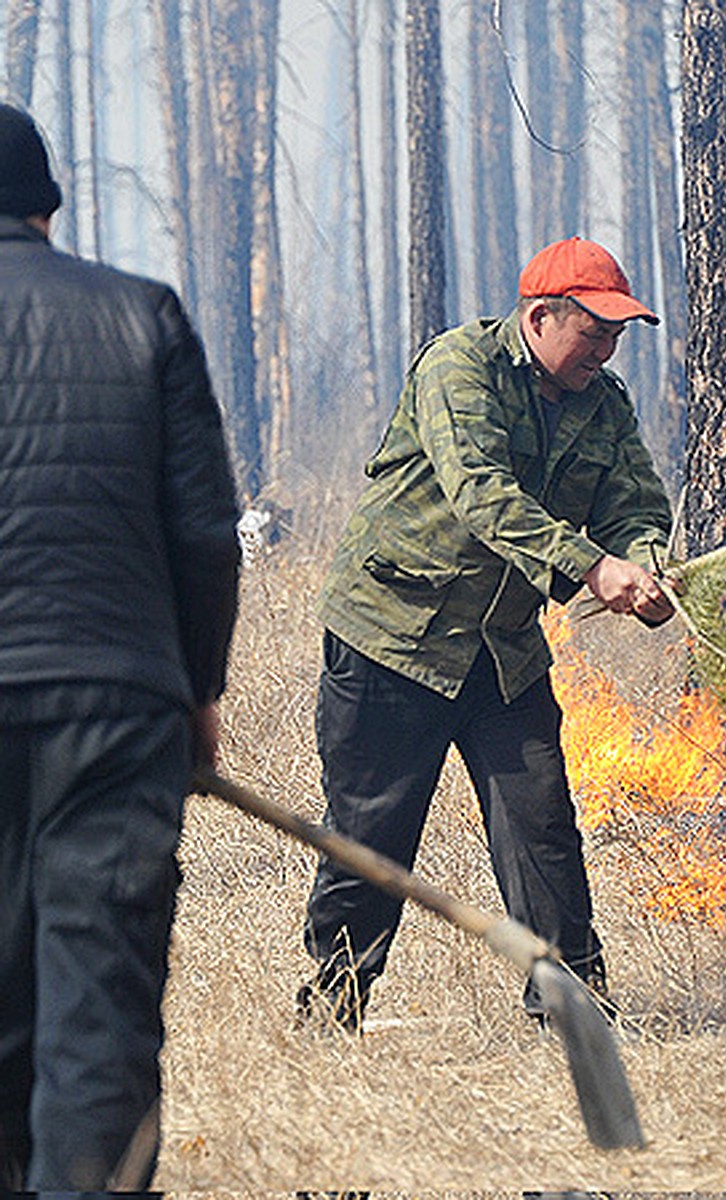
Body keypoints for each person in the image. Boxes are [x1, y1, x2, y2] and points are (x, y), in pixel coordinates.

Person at [301, 236, 675, 1032]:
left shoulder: (602, 404)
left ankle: (575, 1011)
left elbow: (634, 504)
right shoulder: (458, 368)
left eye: (615, 336)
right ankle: (333, 1009)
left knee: (541, 828)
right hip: (393, 639)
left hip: (501, 655)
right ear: (541, 316)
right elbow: (484, 496)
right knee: (371, 835)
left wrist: (641, 565)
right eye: (593, 332)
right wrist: (591, 569)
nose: (605, 352)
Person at [0, 105, 241, 1190]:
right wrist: (195, 696)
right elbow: (204, 533)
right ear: (48, 206)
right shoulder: (145, 314)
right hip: (117, 709)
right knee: (96, 1013)